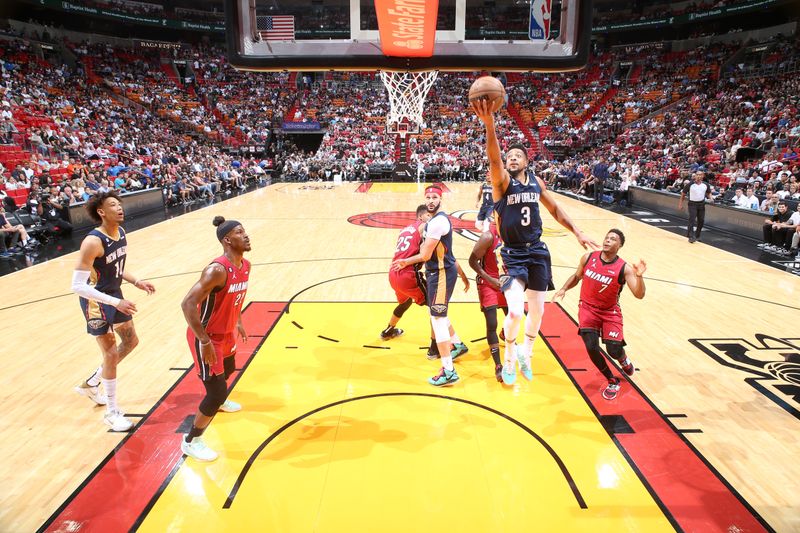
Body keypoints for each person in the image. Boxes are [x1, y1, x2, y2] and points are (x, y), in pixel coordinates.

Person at [473, 98, 598, 385]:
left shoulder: (536, 182)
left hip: (539, 251)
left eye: (518, 156)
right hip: (513, 254)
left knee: (539, 310)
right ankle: (509, 359)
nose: (512, 158)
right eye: (510, 156)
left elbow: (554, 209)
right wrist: (489, 125)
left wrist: (577, 231)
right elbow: (494, 158)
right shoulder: (502, 182)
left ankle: (526, 353)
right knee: (516, 310)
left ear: (527, 161)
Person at [71, 191, 155, 431]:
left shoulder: (121, 233)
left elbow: (116, 268)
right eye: (113, 205)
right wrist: (114, 302)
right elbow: (77, 286)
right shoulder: (92, 242)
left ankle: (92, 383)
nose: (120, 208)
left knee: (130, 341)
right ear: (101, 212)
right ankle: (111, 412)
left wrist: (136, 281)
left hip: (114, 296)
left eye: (120, 204)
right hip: (95, 302)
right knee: (110, 354)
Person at [180, 216, 251, 462]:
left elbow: (234, 297)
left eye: (245, 231)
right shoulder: (216, 270)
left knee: (230, 368)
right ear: (227, 240)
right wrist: (205, 341)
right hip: (206, 336)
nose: (246, 235)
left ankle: (218, 402)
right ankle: (192, 440)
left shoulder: (246, 265)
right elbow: (188, 303)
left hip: (225, 331)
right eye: (240, 232)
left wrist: (238, 321)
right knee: (216, 390)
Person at [552, 229, 646, 400]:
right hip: (587, 309)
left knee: (613, 349)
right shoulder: (588, 258)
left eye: (613, 239)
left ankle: (622, 358)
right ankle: (612, 380)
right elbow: (577, 276)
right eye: (607, 237)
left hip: (610, 312)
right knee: (591, 347)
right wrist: (564, 289)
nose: (608, 240)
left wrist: (639, 277)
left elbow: (639, 295)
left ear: (620, 246)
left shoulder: (624, 268)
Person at [392, 185, 469, 386]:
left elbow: (426, 255)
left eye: (435, 197)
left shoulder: (438, 222)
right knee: (437, 316)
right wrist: (464, 276)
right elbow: (448, 254)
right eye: (428, 197)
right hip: (437, 273)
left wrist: (405, 262)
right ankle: (457, 345)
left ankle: (449, 371)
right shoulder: (431, 223)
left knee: (437, 319)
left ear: (440, 199)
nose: (431, 200)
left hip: (442, 274)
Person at [380, 204, 431, 340]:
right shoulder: (424, 226)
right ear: (420, 216)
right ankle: (437, 344)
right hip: (407, 273)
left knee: (405, 302)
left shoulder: (405, 230)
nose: (430, 218)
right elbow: (425, 252)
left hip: (393, 273)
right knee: (435, 304)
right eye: (428, 215)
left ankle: (389, 330)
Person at [468, 222, 508, 382]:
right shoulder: (487, 236)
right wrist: (491, 279)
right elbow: (472, 261)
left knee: (514, 316)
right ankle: (498, 365)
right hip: (488, 283)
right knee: (492, 323)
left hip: (505, 281)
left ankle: (505, 334)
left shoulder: (513, 231)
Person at [678, 171, 712, 243]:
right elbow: (683, 194)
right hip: (692, 204)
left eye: (700, 175)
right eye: (697, 175)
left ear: (703, 176)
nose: (698, 176)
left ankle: (697, 235)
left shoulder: (706, 184)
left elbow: (709, 192)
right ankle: (690, 236)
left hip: (702, 204)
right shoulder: (690, 184)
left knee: (701, 220)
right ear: (695, 176)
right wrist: (680, 204)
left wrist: (711, 198)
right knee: (692, 220)